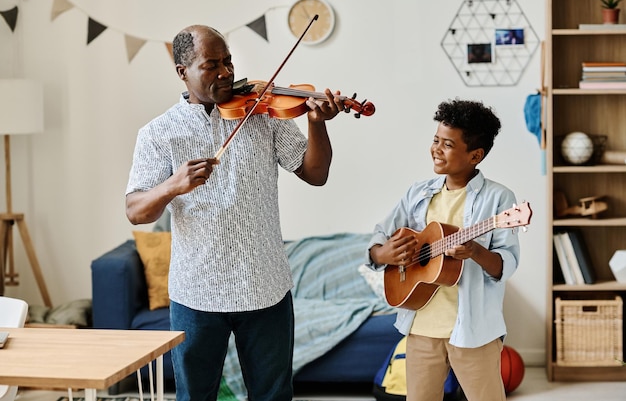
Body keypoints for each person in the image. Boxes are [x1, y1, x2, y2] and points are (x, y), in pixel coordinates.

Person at [125, 24, 345, 401]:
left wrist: (316, 122)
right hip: (197, 293)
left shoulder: (263, 113)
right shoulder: (158, 134)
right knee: (195, 396)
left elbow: (316, 174)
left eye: (228, 61)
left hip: (266, 288)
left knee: (273, 396)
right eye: (212, 64)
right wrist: (171, 186)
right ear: (183, 72)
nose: (226, 72)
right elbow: (135, 211)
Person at [367, 99, 520, 401]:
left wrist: (475, 251)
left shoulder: (499, 199)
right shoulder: (418, 193)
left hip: (474, 330)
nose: (436, 149)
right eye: (436, 140)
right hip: (421, 323)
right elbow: (380, 235)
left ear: (475, 155)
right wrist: (381, 255)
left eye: (447, 144)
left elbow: (507, 264)